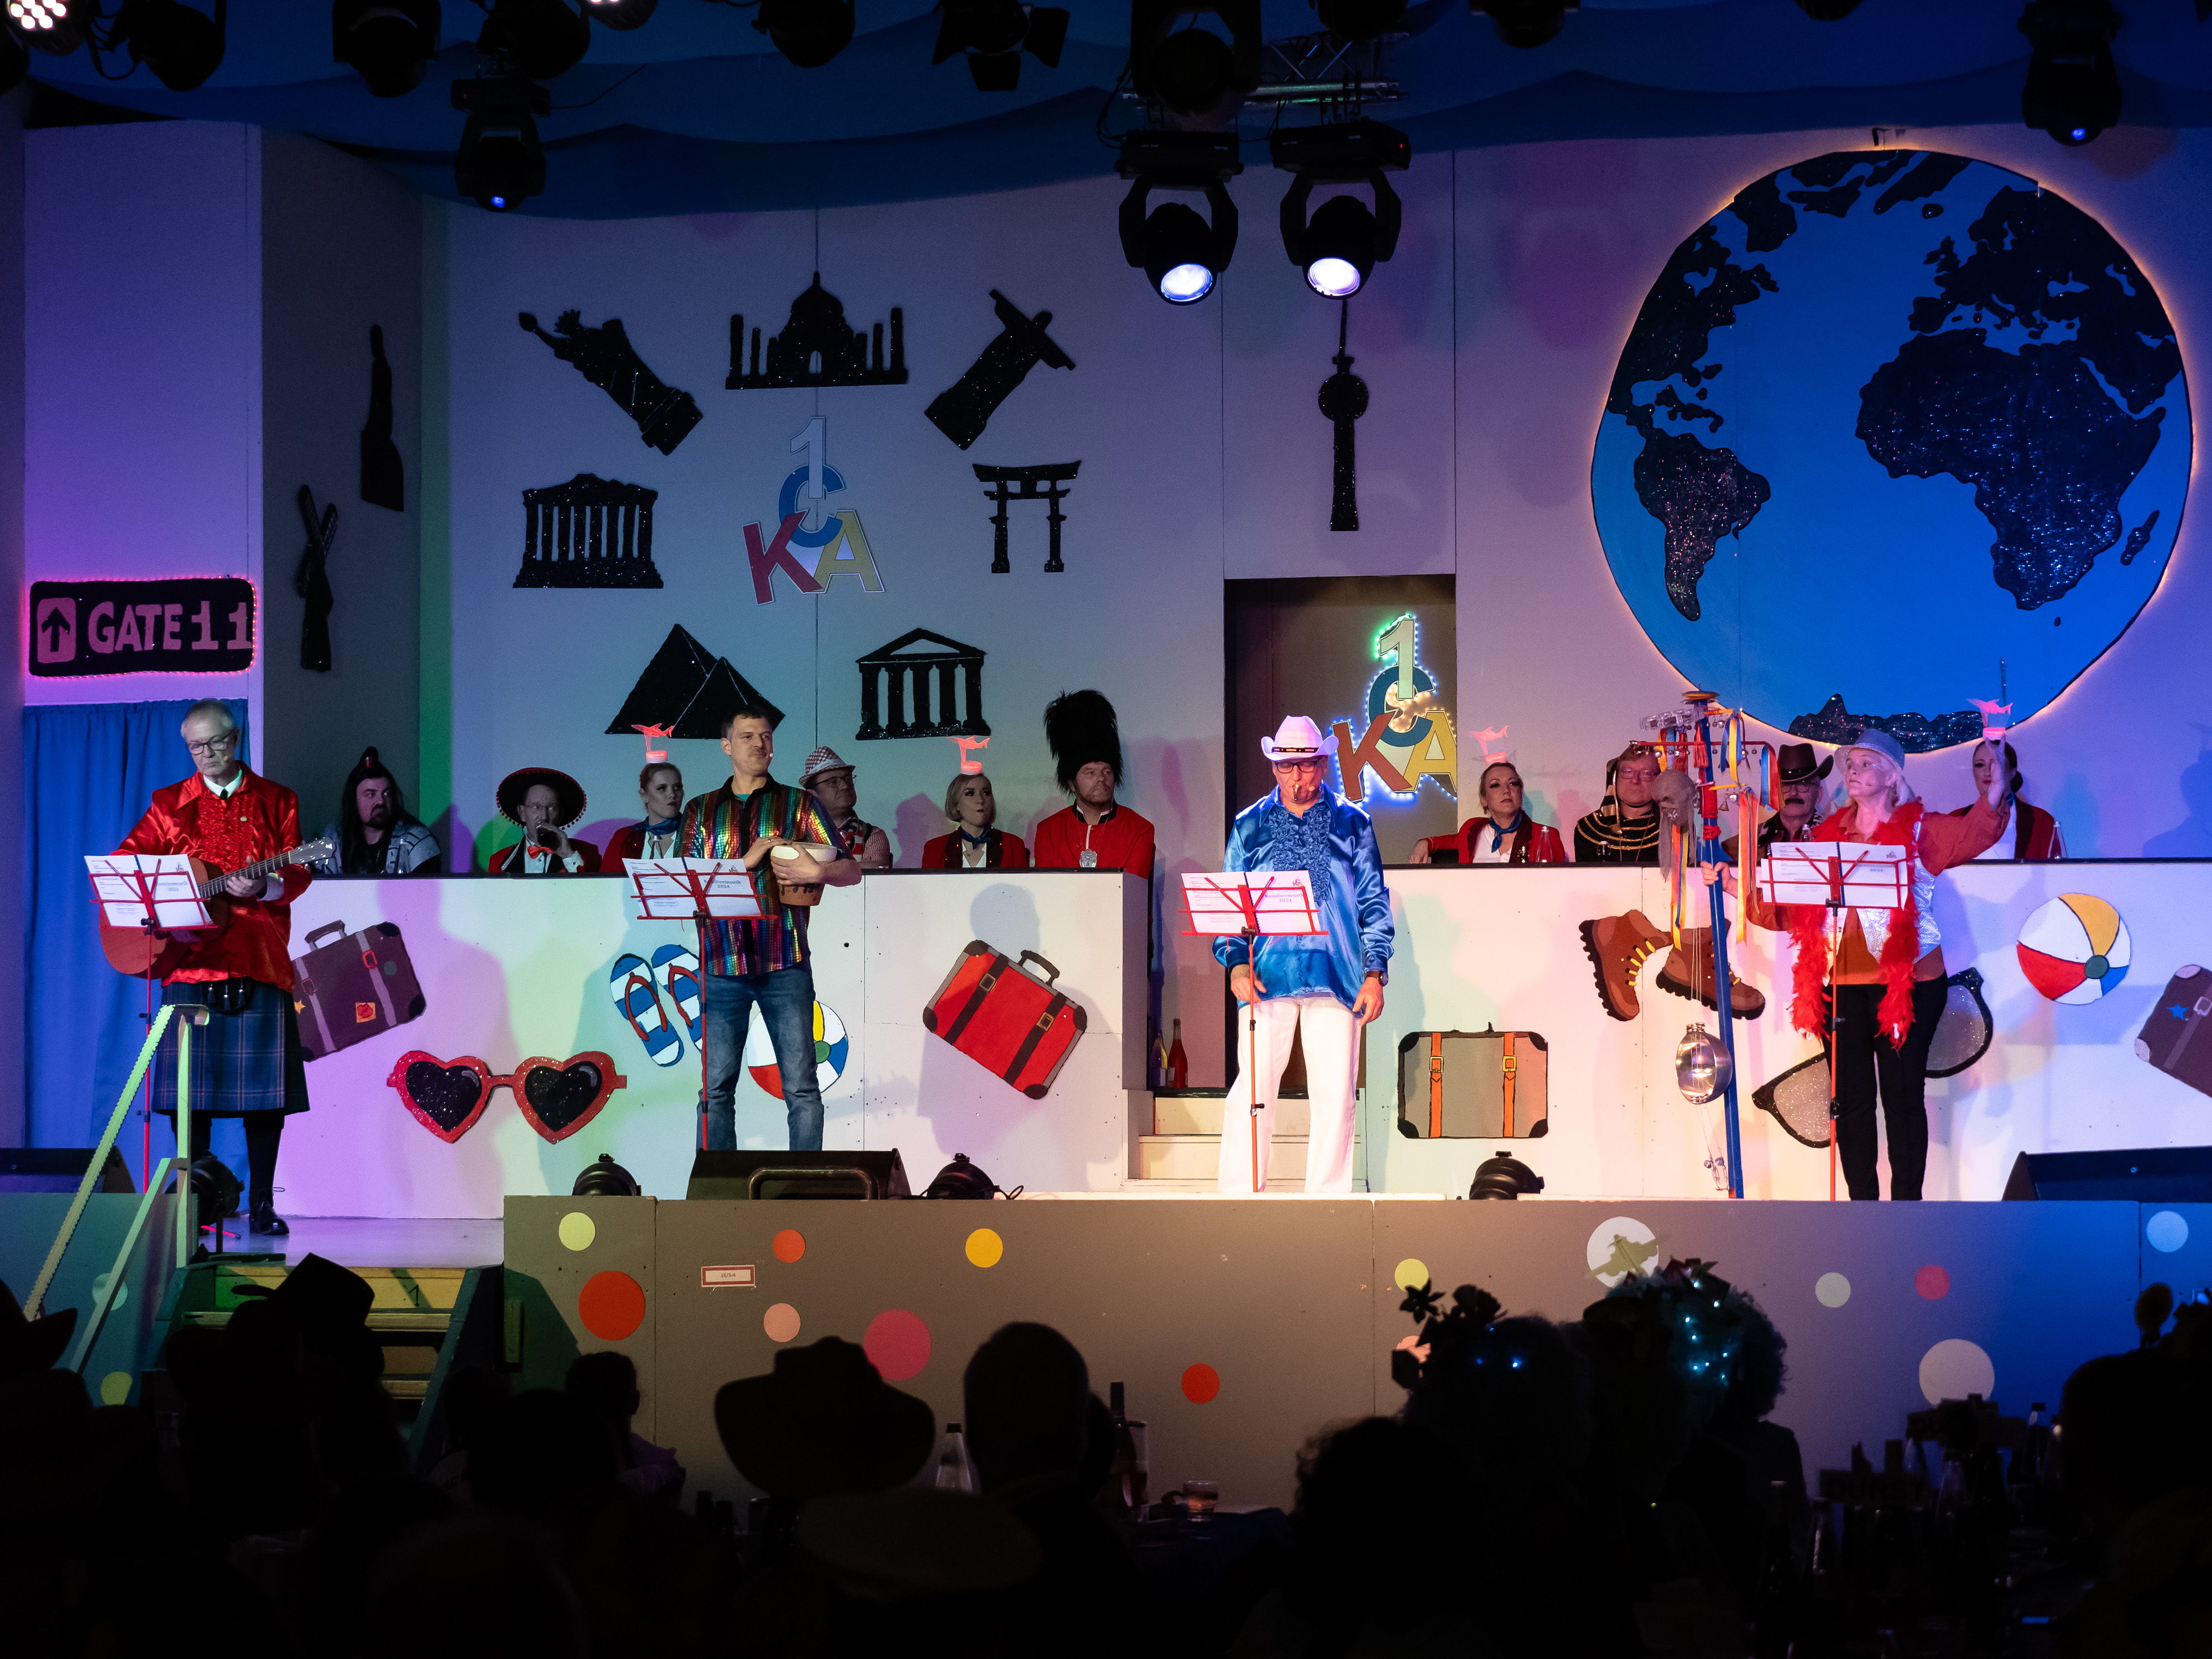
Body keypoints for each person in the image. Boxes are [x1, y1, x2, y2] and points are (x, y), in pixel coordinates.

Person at [1717, 728, 2006, 1199]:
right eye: (1850, 765)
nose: (1853, 771)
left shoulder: (1924, 830)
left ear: (1892, 776)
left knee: (1902, 1096)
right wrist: (1737, 888)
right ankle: (1862, 1211)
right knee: (1850, 1100)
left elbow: (1977, 831)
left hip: (1910, 984)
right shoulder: (1826, 836)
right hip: (1841, 985)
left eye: (1866, 764)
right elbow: (1795, 910)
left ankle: (1906, 1208)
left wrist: (1994, 786)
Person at [116, 699, 314, 1235]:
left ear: (236, 739)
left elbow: (298, 868)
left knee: (266, 1101)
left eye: (215, 743)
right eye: (195, 747)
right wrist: (169, 900)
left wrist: (266, 885)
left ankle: (264, 1204)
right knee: (189, 1097)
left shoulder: (277, 799)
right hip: (190, 962)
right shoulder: (169, 804)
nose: (206, 754)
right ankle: (195, 1202)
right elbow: (130, 865)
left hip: (258, 958)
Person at [1216, 716, 1392, 1194]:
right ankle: (1239, 1199)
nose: (1298, 777)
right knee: (1252, 1093)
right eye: (1287, 767)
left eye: (1308, 765)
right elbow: (1230, 905)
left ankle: (1327, 1205)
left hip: (1337, 973)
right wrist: (1236, 964)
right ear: (1274, 767)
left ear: (1324, 763)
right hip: (1266, 973)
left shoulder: (1353, 822)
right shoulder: (1249, 825)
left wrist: (1374, 973)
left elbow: (1374, 901)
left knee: (1335, 1097)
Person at [680, 703, 860, 1151]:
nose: (760, 744)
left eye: (766, 736)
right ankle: (717, 1188)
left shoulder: (799, 804)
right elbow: (686, 883)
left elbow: (851, 870)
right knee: (715, 1092)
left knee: (802, 1088)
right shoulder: (702, 809)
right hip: (721, 964)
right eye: (747, 737)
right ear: (726, 746)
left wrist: (819, 871)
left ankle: (804, 1186)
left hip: (785, 960)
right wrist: (748, 861)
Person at [1031, 690, 1156, 877]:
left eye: (1107, 771)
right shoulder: (1048, 831)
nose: (1101, 778)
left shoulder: (1140, 830)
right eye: (1090, 772)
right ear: (1072, 783)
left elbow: (1131, 889)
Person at [314, 746, 441, 874]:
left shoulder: (415, 839)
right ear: (354, 801)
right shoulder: (334, 840)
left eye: (387, 794)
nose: (381, 801)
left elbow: (428, 886)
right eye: (371, 794)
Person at [1410, 760, 1566, 864]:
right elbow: (1444, 842)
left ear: (1520, 792)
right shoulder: (1472, 829)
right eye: (1495, 785)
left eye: (1513, 784)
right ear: (1484, 799)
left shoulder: (1546, 836)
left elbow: (1556, 888)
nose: (1506, 790)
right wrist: (1424, 843)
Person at [1949, 738, 2065, 859]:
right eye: (1980, 765)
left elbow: (2054, 869)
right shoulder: (1955, 820)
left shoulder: (2042, 822)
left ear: (2012, 772)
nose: (1988, 772)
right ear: (1974, 773)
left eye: (1996, 763)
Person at [488, 769, 602, 874]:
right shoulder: (499, 860)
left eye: (552, 808)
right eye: (536, 807)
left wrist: (567, 855)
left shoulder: (588, 852)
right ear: (522, 812)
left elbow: (591, 888)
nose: (544, 817)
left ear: (561, 815)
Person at [798, 746, 892, 870]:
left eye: (848, 779)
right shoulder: (797, 834)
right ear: (812, 795)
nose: (845, 786)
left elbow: (876, 868)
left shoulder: (871, 834)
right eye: (833, 782)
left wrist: (817, 870)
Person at [1573, 742, 1665, 864]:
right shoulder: (1588, 829)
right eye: (1628, 771)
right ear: (1615, 778)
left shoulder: (1674, 830)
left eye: (1646, 773)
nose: (1635, 780)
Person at [921, 772, 1030, 870]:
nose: (980, 800)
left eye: (986, 793)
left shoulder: (1014, 845)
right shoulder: (934, 848)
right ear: (957, 803)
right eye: (970, 793)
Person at [602, 761, 684, 875]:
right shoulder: (623, 838)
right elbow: (606, 883)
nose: (672, 794)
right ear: (644, 795)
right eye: (662, 788)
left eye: (678, 787)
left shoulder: (698, 836)